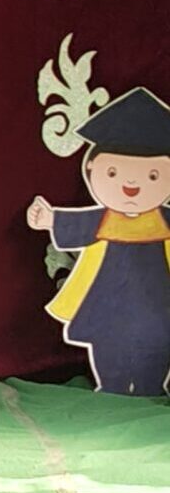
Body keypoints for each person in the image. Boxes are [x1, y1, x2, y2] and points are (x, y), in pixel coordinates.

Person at [27, 87, 170, 396]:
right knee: (109, 343)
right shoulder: (102, 220)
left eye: (153, 177)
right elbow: (76, 224)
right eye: (113, 172)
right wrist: (49, 219)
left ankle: (150, 387)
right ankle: (112, 386)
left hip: (158, 302)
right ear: (92, 168)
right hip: (107, 300)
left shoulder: (165, 221)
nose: (131, 185)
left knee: (157, 341)